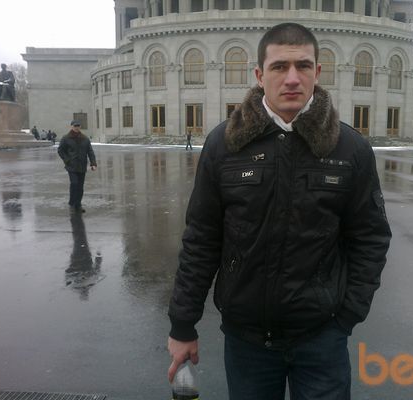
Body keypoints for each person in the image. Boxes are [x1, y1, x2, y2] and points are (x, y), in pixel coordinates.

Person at [167, 23, 392, 400]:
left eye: (303, 65)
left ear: (318, 72)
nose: (292, 78)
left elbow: (370, 238)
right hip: (247, 341)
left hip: (322, 338)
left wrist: (348, 315)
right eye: (279, 67)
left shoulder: (349, 149)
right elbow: (201, 239)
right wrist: (182, 325)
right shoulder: (224, 145)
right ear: (259, 75)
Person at [57, 120, 97, 213]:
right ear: (71, 126)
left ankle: (78, 204)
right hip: (71, 166)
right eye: (75, 126)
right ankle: (72, 203)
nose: (76, 127)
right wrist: (67, 160)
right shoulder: (66, 138)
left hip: (82, 166)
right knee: (74, 183)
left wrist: (93, 163)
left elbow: (90, 152)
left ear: (80, 127)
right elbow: (60, 150)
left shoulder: (85, 139)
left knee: (80, 186)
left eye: (78, 126)